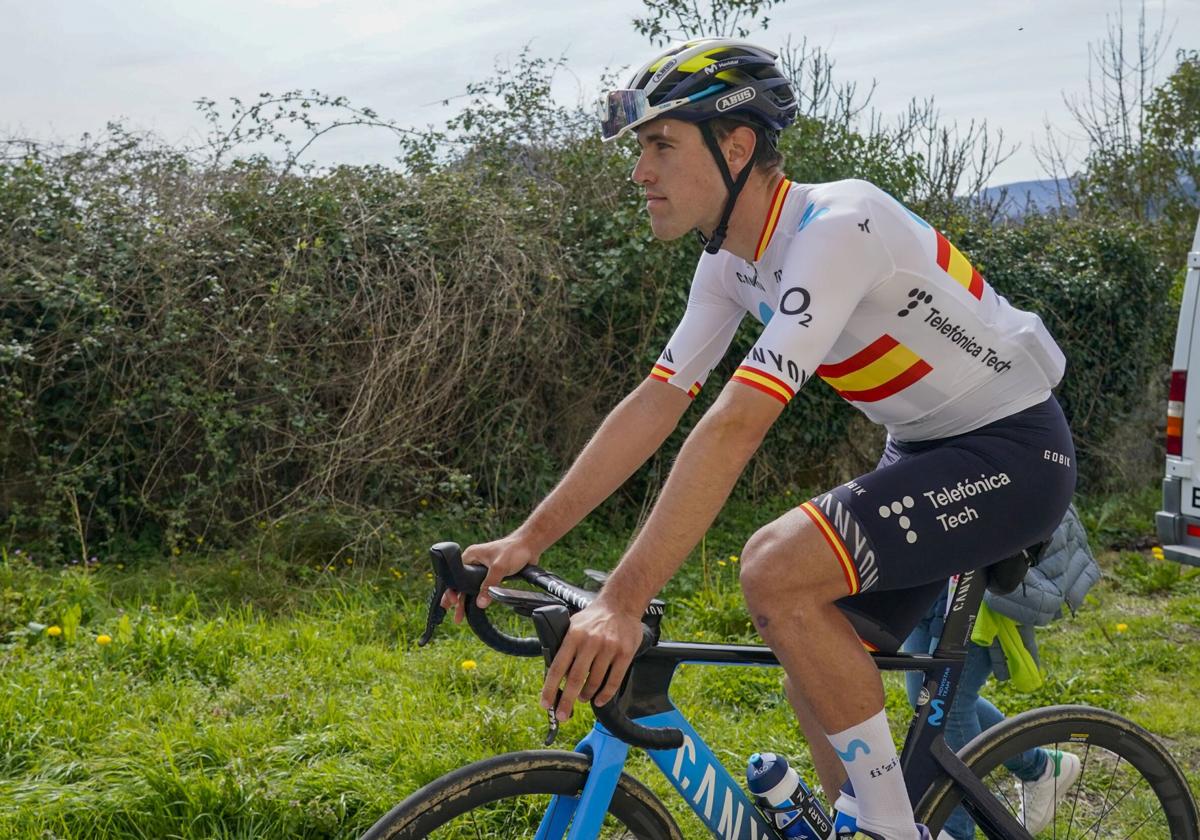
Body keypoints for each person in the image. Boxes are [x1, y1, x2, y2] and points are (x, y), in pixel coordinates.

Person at [442, 38, 1076, 840]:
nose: (640, 172)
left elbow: (737, 422)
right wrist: (526, 541)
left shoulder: (838, 226)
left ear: (735, 145)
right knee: (812, 637)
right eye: (641, 149)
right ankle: (876, 813)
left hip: (1013, 448)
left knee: (775, 570)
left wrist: (624, 602)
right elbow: (658, 401)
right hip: (921, 448)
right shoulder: (731, 263)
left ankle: (887, 828)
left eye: (660, 145)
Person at [901, 504, 1100, 839]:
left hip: (977, 559)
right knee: (925, 697)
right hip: (930, 560)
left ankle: (954, 830)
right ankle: (1040, 767)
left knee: (948, 705)